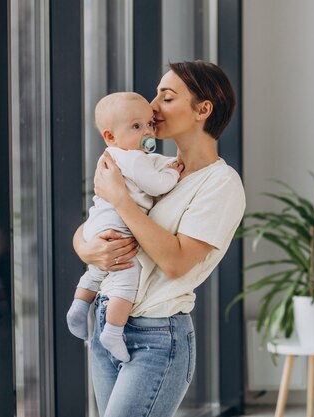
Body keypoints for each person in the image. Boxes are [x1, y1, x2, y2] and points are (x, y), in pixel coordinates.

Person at [72, 61, 246, 417]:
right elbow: (97, 216)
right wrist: (88, 248)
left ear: (203, 110)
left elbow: (176, 261)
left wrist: (122, 198)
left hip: (157, 337)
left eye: (166, 97)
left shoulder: (221, 184)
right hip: (108, 320)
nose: (152, 107)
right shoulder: (151, 166)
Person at [66, 92, 183, 363]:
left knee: (98, 270)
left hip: (98, 223)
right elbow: (157, 184)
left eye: (149, 124)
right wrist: (174, 173)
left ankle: (79, 306)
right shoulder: (133, 158)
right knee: (129, 273)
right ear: (110, 136)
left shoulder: (114, 155)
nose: (147, 131)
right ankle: (113, 331)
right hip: (118, 225)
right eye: (136, 126)